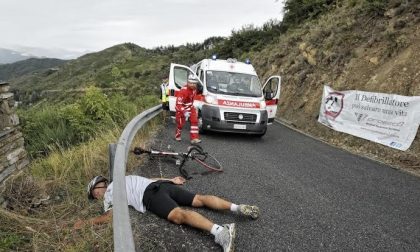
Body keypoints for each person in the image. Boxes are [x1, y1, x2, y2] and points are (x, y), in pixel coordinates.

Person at [74, 175, 260, 252]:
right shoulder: (125, 177)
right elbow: (151, 178)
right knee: (199, 199)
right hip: (162, 186)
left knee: (178, 215)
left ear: (100, 186)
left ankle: (221, 231)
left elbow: (111, 216)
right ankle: (237, 207)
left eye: (94, 194)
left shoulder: (109, 193)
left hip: (150, 195)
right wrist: (171, 179)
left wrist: (86, 223)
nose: (97, 197)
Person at [175, 74, 201, 144]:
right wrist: (184, 111)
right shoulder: (183, 91)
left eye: (194, 83)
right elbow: (178, 104)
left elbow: (195, 97)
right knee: (180, 124)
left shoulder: (195, 89)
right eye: (191, 83)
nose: (192, 85)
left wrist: (198, 104)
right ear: (188, 82)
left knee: (195, 121)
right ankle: (177, 135)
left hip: (191, 107)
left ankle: (194, 138)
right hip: (182, 109)